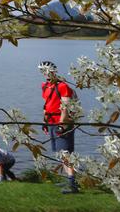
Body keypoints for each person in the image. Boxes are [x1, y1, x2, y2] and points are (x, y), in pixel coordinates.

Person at [40, 60, 79, 194]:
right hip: (51, 122)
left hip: (62, 124)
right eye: (43, 71)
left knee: (66, 154)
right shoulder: (44, 86)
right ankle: (69, 180)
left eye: (47, 71)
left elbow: (65, 107)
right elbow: (46, 104)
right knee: (60, 154)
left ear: (53, 72)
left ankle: (73, 185)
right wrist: (44, 122)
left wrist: (62, 125)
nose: (45, 73)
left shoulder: (63, 86)